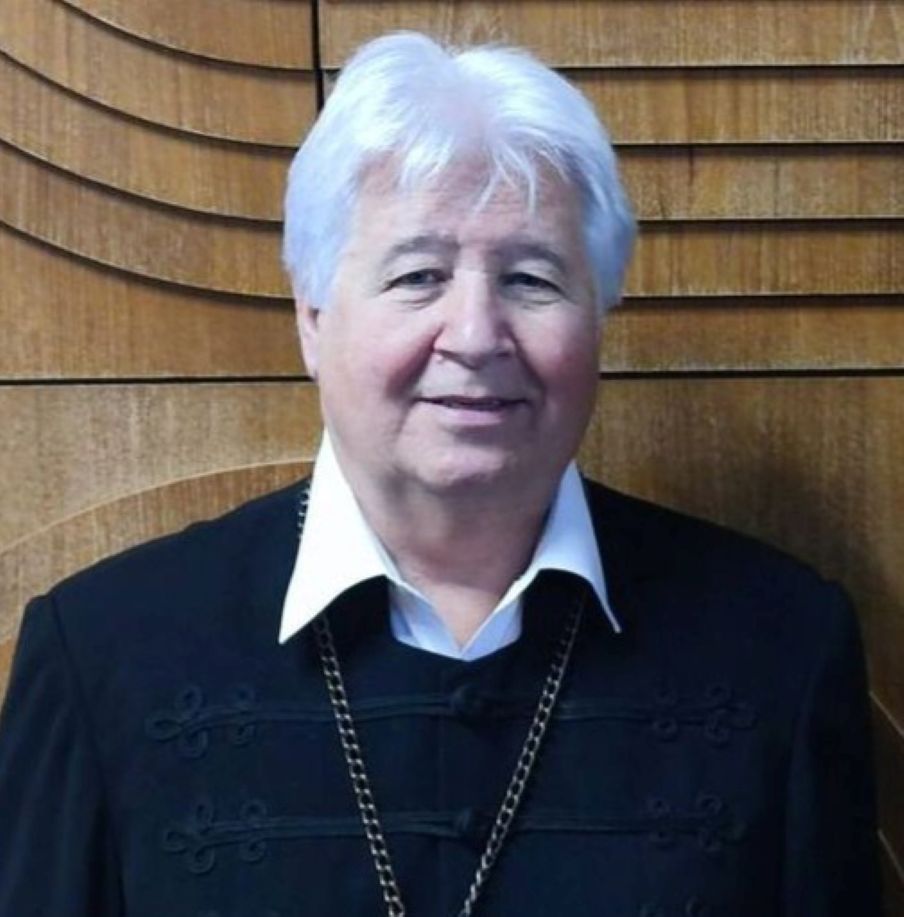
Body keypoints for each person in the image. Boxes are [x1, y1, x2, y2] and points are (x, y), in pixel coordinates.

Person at [0, 32, 879, 917]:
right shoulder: (101, 652)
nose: (475, 334)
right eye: (418, 276)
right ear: (313, 318)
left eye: (531, 280)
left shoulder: (783, 647)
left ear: (598, 319)